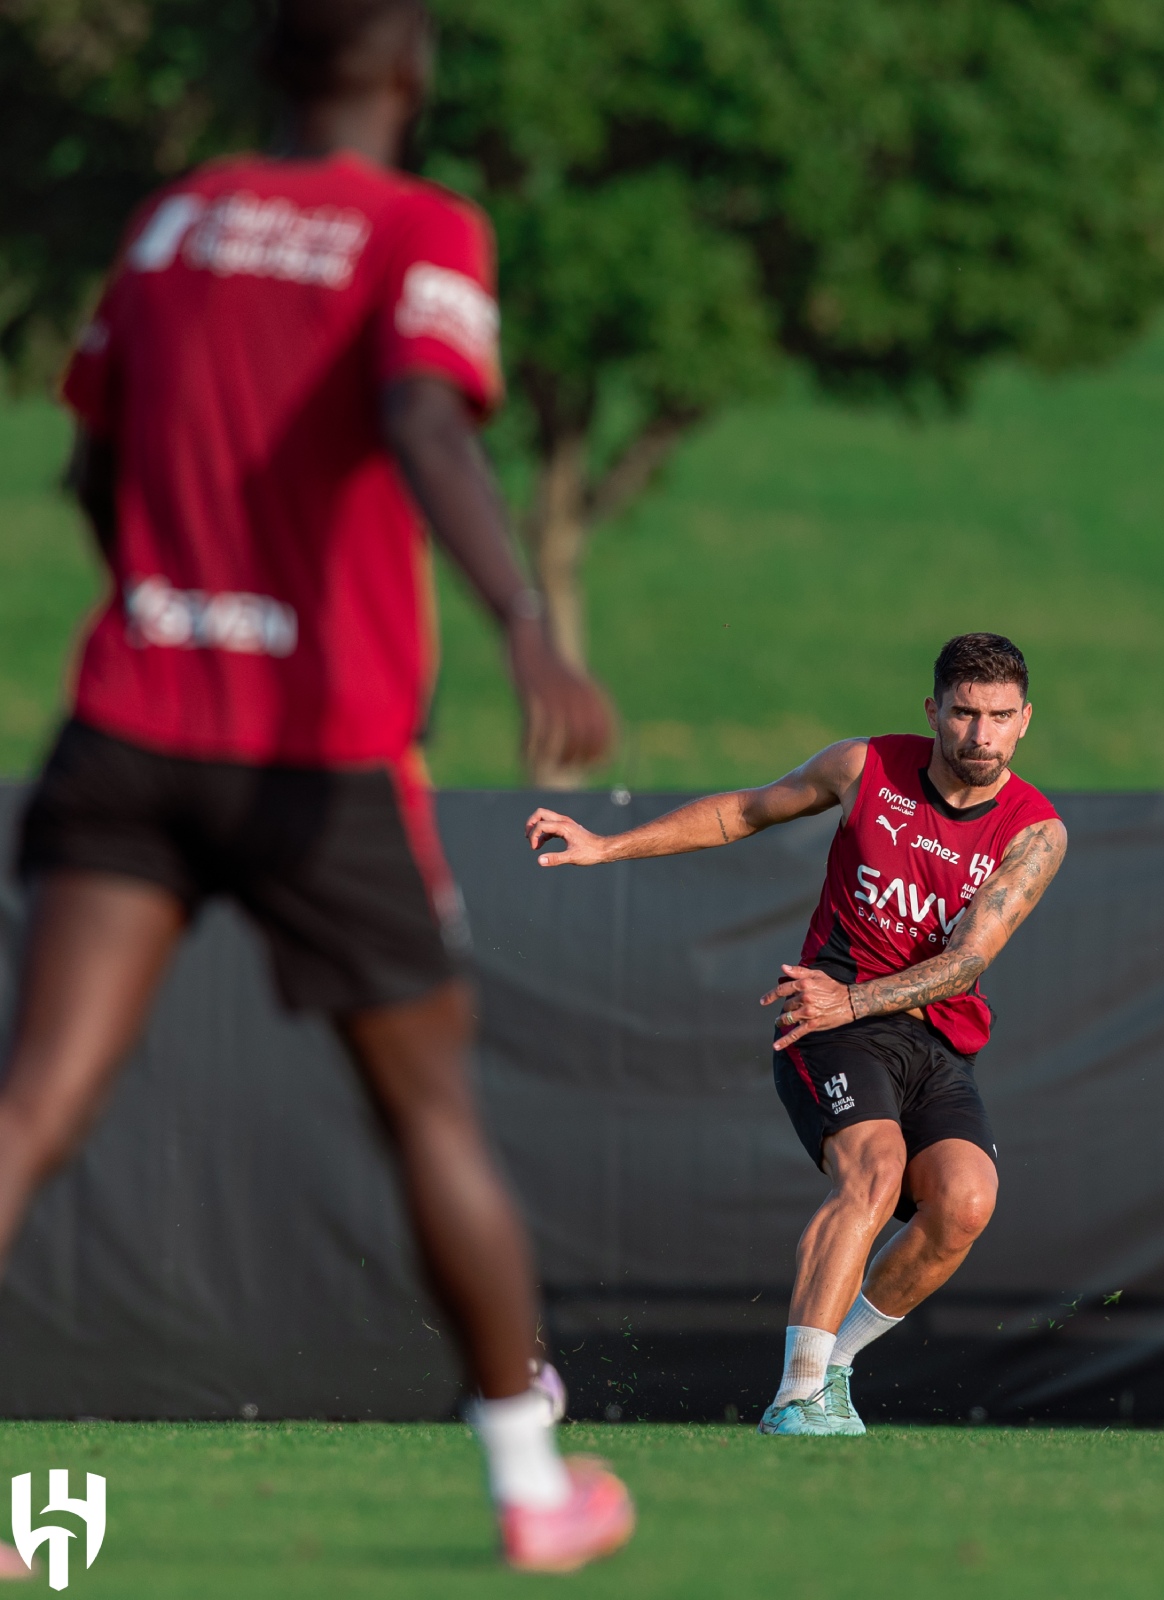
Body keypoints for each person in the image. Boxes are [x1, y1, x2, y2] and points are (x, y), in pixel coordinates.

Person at [0, 0, 632, 1576]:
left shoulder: (170, 224)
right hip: (319, 752)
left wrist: (173, 596)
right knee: (428, 1115)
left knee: (32, 1106)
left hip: (133, 720)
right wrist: (528, 626)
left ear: (270, 70)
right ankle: (530, 1490)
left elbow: (91, 460)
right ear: (408, 73)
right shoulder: (420, 229)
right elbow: (422, 412)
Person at [525, 633, 1067, 1435]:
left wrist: (859, 1001)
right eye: (963, 714)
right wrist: (608, 845)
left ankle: (835, 1372)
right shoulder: (865, 768)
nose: (979, 736)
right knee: (875, 1170)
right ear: (934, 711)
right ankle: (795, 1395)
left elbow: (965, 963)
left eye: (998, 717)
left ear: (1025, 721)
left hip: (925, 1039)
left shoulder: (1035, 832)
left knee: (964, 1202)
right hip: (828, 1024)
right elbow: (743, 811)